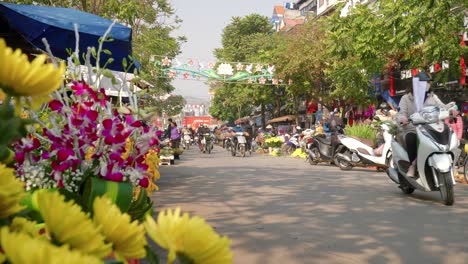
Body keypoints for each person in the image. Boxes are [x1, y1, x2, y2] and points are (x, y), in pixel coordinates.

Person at [396, 72, 452, 177]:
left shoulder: (432, 97)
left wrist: (451, 110)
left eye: (428, 82)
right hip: (412, 129)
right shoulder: (406, 98)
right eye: (424, 82)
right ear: (416, 84)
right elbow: (400, 113)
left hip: (430, 129)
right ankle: (413, 165)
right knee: (411, 139)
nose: (427, 84)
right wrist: (402, 119)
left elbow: (442, 107)